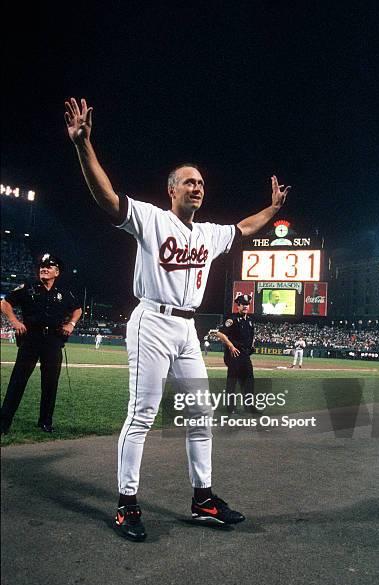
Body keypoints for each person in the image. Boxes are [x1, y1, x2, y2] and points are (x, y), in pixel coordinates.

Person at [64, 97, 290, 541]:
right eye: (188, 182)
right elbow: (107, 198)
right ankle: (126, 504)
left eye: (201, 182)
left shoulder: (208, 234)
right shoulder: (150, 219)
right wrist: (83, 145)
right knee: (143, 412)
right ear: (172, 190)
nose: (197, 187)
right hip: (152, 321)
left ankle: (203, 498)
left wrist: (273, 211)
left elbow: (244, 228)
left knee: (199, 412)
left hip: (187, 328)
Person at [0, 253, 82, 434]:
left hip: (53, 341)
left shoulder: (63, 294)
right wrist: (14, 321)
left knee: (50, 383)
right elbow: (4, 303)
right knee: (17, 381)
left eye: (49, 267)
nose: (44, 269)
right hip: (31, 339)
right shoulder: (27, 288)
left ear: (57, 272)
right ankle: (3, 423)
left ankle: (45, 421)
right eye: (42, 267)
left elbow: (77, 310)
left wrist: (71, 324)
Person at [216, 294, 255, 413]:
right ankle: (231, 408)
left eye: (247, 304)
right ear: (238, 306)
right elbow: (220, 333)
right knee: (232, 382)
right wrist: (231, 346)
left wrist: (251, 346)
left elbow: (251, 336)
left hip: (245, 355)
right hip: (234, 355)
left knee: (248, 381)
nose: (246, 307)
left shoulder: (250, 320)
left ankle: (249, 406)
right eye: (243, 304)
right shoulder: (232, 319)